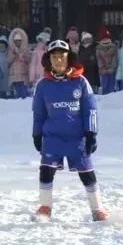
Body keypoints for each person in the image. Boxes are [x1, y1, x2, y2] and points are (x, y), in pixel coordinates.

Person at [32, 40, 109, 222]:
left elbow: (90, 109)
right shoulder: (43, 85)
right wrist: (36, 134)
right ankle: (45, 207)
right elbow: (38, 113)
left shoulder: (81, 82)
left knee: (87, 173)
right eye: (54, 57)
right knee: (46, 171)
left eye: (62, 56)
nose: (58, 60)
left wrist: (91, 133)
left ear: (69, 59)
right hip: (53, 138)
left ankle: (97, 209)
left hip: (77, 138)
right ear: (48, 60)